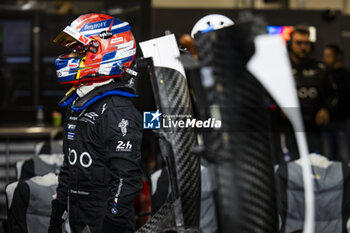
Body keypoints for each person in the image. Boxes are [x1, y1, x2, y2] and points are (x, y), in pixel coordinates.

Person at [47, 13, 143, 233]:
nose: (70, 55)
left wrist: (113, 223)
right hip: (76, 217)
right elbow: (69, 168)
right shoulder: (78, 101)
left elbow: (126, 180)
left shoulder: (117, 110)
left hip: (103, 222)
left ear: (105, 50)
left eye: (78, 50)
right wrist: (57, 215)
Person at [288, 25, 330, 154]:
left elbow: (331, 93)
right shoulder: (282, 67)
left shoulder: (319, 67)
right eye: (299, 43)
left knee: (317, 165)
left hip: (314, 127)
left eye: (306, 43)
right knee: (289, 167)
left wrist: (326, 109)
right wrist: (279, 108)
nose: (303, 47)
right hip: (288, 126)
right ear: (291, 44)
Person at [323, 44, 350, 161]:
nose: (325, 59)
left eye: (328, 56)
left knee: (344, 157)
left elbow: (343, 97)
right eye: (325, 56)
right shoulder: (323, 74)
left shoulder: (346, 75)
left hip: (341, 122)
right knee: (327, 159)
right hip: (325, 122)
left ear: (336, 57)